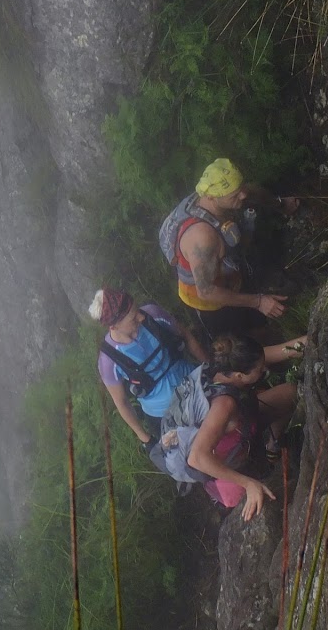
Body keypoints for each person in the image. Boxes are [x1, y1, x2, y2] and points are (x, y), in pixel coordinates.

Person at [160, 333, 306, 521]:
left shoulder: (220, 367)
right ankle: (222, 491)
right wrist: (248, 484)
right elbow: (196, 458)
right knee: (255, 502)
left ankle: (271, 448)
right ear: (240, 376)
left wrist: (308, 341)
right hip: (219, 459)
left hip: (240, 422)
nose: (264, 371)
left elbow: (281, 351)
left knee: (291, 393)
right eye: (260, 370)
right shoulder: (224, 405)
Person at [166, 157, 299, 344]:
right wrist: (259, 302)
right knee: (238, 340)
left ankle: (268, 336)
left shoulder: (220, 194)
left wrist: (279, 204)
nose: (243, 196)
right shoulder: (202, 238)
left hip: (229, 275)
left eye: (240, 189)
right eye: (235, 196)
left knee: (258, 323)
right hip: (209, 302)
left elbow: (249, 192)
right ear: (212, 198)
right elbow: (206, 291)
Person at [89, 287, 207, 447]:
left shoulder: (153, 315)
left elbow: (185, 335)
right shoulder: (108, 360)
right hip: (163, 414)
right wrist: (146, 439)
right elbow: (122, 402)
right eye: (132, 319)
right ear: (113, 327)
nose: (140, 317)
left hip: (193, 382)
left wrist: (209, 366)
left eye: (137, 311)